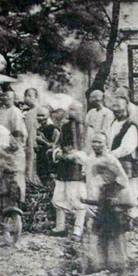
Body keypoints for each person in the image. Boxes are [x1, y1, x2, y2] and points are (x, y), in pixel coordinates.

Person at [81, 141, 137, 274]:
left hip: (113, 208)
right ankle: (99, 264)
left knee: (115, 235)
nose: (96, 145)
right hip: (101, 207)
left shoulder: (111, 161)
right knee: (99, 234)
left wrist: (116, 199)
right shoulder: (91, 161)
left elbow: (123, 182)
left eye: (100, 142)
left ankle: (117, 265)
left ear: (106, 144)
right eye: (94, 142)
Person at [52, 101, 87, 238]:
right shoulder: (64, 127)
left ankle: (78, 229)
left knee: (77, 199)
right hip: (63, 168)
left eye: (75, 110)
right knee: (58, 197)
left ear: (81, 111)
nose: (71, 112)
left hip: (77, 169)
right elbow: (58, 145)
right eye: (70, 109)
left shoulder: (86, 129)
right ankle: (60, 227)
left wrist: (76, 156)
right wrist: (59, 153)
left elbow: (86, 150)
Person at [107, 95, 138, 197]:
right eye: (113, 106)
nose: (115, 109)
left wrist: (110, 155)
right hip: (114, 162)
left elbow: (127, 148)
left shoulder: (130, 125)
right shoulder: (114, 123)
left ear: (126, 107)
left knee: (128, 192)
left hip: (125, 162)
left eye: (118, 106)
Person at [34, 106, 60, 180]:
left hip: (49, 160)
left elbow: (53, 146)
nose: (40, 118)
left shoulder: (52, 129)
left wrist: (42, 140)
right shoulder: (39, 128)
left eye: (42, 115)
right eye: (38, 115)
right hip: (41, 158)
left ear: (48, 116)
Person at [22, 88, 41, 185]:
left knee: (34, 162)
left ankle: (33, 182)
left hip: (35, 141)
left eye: (30, 95)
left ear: (36, 97)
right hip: (27, 141)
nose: (27, 98)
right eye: (25, 96)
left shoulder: (39, 110)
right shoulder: (27, 112)